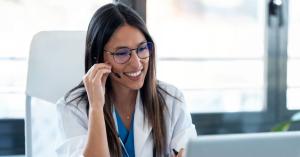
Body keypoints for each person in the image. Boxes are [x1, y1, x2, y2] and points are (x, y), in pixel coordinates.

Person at [56, 2, 197, 157]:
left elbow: (190, 150)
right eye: (122, 53)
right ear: (98, 57)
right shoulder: (73, 108)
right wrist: (96, 107)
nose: (137, 63)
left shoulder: (171, 99)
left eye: (142, 48)